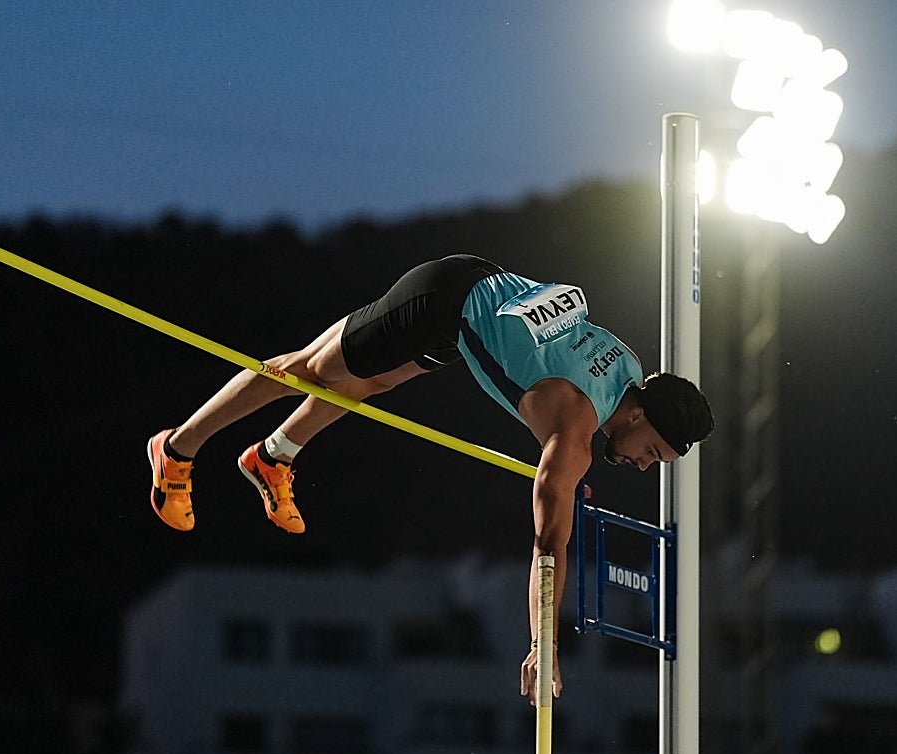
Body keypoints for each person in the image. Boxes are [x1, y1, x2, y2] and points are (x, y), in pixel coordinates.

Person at [147, 254, 713, 703]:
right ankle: (177, 447)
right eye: (654, 453)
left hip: (470, 304)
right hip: (441, 301)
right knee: (304, 372)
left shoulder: (632, 369)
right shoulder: (574, 436)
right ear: (637, 416)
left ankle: (273, 457)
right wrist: (544, 644)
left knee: (370, 383)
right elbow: (548, 546)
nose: (644, 465)